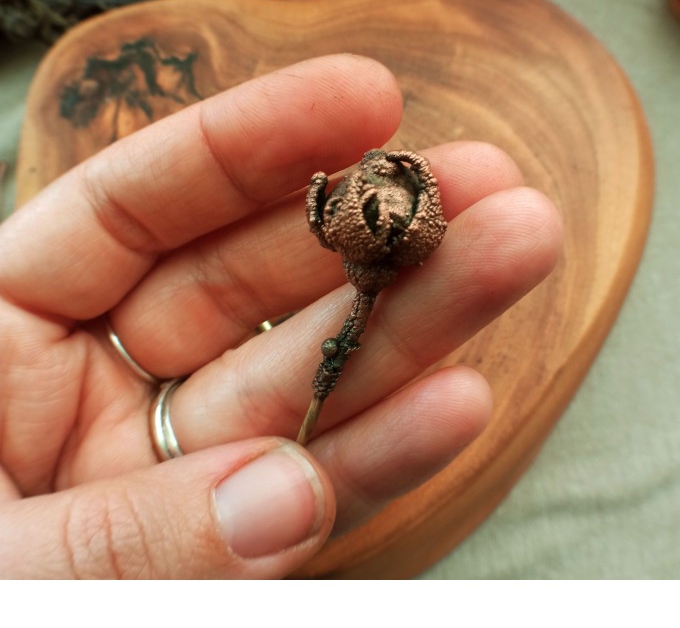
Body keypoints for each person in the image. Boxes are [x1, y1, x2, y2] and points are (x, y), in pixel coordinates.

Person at [0, 54, 562, 579]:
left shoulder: (403, 240)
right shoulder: (353, 230)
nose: (387, 209)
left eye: (395, 207)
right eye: (374, 204)